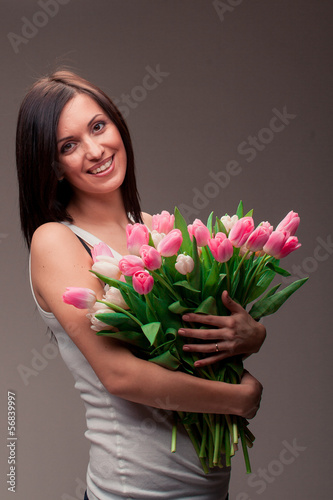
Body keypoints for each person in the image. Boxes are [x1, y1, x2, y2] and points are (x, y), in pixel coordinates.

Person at [16, 70, 265, 500]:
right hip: (133, 490)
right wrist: (238, 401)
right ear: (53, 164)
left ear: (116, 124)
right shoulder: (56, 240)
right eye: (68, 146)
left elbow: (195, 340)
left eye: (98, 126)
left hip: (208, 488)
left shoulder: (156, 233)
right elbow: (119, 374)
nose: (95, 150)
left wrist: (250, 335)